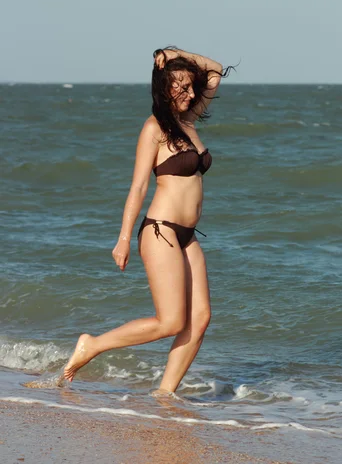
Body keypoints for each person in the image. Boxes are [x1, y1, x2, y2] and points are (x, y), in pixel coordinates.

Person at [64, 47, 233, 394]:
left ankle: (164, 394)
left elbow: (215, 70)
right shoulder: (154, 128)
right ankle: (92, 344)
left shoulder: (189, 120)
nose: (189, 93)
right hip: (161, 230)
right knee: (170, 321)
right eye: (180, 86)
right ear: (163, 88)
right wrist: (124, 238)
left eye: (190, 86)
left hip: (187, 235)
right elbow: (139, 185)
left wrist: (176, 54)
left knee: (199, 319)